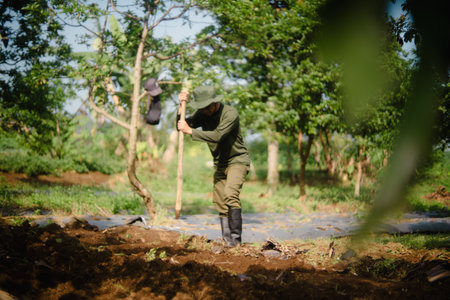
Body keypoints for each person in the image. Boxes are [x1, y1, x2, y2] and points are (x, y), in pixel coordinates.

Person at [177, 86, 251, 247]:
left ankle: (236, 242)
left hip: (237, 160)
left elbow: (217, 136)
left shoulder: (230, 113)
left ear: (215, 102)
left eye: (207, 107)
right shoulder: (203, 113)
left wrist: (190, 131)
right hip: (220, 162)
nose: (205, 111)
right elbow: (182, 124)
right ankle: (227, 241)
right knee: (220, 202)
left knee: (231, 194)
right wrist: (181, 106)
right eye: (202, 108)